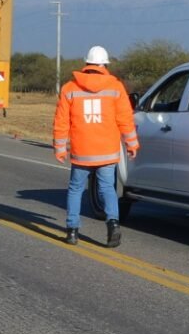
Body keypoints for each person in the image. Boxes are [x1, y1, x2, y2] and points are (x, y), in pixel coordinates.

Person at [52, 45, 139, 246]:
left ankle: (72, 231)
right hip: (107, 151)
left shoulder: (69, 88)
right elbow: (125, 119)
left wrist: (59, 147)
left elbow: (61, 121)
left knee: (75, 189)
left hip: (82, 151)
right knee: (108, 188)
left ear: (87, 63)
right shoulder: (116, 87)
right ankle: (113, 225)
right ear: (104, 64)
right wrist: (131, 144)